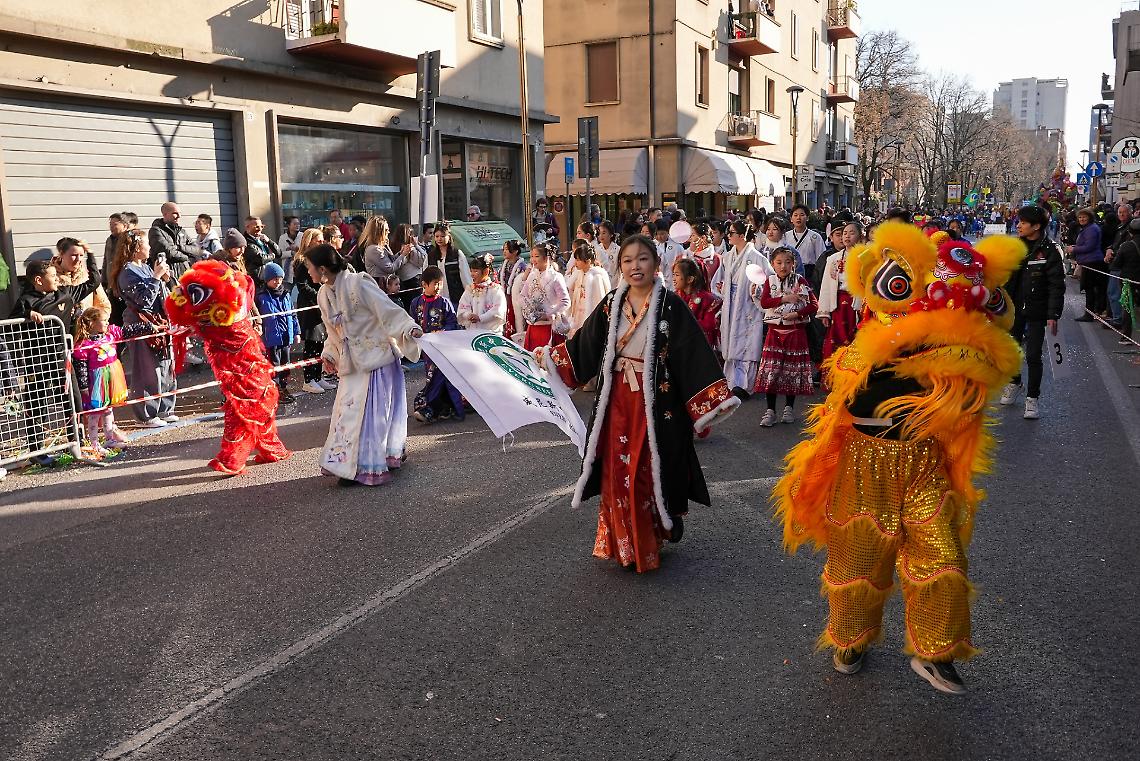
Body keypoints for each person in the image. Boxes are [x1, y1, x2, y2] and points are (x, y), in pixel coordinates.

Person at [774, 223, 1025, 695]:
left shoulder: (958, 347)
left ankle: (936, 653)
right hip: (865, 463)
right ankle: (851, 640)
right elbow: (847, 392)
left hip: (924, 462)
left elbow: (987, 373)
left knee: (943, 555)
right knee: (857, 561)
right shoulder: (869, 345)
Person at [538, 235, 740, 573]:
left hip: (656, 403)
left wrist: (712, 400)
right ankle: (625, 543)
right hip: (616, 400)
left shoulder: (671, 306)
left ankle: (653, 533)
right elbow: (585, 345)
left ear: (656, 264)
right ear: (620, 266)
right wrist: (549, 358)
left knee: (647, 468)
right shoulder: (611, 304)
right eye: (628, 260)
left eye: (642, 259)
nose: (635, 266)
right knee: (618, 470)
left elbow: (692, 353)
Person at [305, 243, 422, 484]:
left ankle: (370, 463)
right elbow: (333, 333)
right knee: (347, 415)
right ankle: (347, 466)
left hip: (377, 361)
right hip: (351, 364)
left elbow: (387, 310)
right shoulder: (323, 294)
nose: (308, 272)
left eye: (309, 267)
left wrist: (408, 328)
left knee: (372, 417)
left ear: (323, 269)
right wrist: (330, 354)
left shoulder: (359, 283)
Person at [165, 260, 292, 475]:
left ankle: (259, 451)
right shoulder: (220, 307)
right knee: (247, 403)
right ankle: (239, 456)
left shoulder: (230, 302)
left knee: (255, 400)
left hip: (243, 359)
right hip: (234, 363)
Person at [1000, 205, 1066, 419]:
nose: (1018, 225)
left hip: (1038, 310)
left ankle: (1032, 398)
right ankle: (1014, 383)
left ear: (1036, 226)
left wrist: (1053, 315)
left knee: (1033, 355)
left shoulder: (1050, 250)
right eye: (1018, 221)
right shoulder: (1014, 247)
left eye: (1023, 222)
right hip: (1013, 309)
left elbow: (1057, 285)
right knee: (1012, 352)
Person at [110, 230, 178, 428]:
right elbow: (144, 301)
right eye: (146, 243)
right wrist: (156, 277)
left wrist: (165, 279)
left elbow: (161, 295)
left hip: (159, 321)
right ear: (136, 247)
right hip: (140, 325)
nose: (150, 247)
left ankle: (165, 408)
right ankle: (146, 415)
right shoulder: (127, 272)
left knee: (166, 366)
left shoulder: (147, 267)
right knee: (147, 369)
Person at [752, 247, 817, 427]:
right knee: (771, 372)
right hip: (774, 331)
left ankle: (789, 408)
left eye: (788, 262)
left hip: (795, 331)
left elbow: (813, 305)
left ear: (793, 264)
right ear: (772, 264)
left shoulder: (800, 280)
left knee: (792, 371)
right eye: (779, 262)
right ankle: (770, 410)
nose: (783, 266)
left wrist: (797, 314)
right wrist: (784, 299)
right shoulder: (770, 281)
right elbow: (765, 302)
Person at [711, 220, 772, 398]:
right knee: (731, 341)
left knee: (747, 343)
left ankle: (745, 386)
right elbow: (718, 280)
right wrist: (722, 288)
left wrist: (758, 291)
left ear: (741, 235)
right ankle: (731, 382)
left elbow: (768, 281)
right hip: (731, 302)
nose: (728, 236)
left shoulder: (757, 258)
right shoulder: (728, 257)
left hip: (748, 304)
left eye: (731, 233)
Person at [72, 307, 134, 454]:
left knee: (108, 410)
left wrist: (149, 327)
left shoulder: (110, 335)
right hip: (96, 383)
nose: (107, 323)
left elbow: (129, 331)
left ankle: (110, 439)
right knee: (95, 414)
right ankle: (94, 443)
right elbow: (81, 368)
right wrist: (84, 386)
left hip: (111, 380)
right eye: (104, 320)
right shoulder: (84, 345)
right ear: (92, 323)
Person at [411, 266, 465, 424]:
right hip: (427, 350)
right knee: (433, 377)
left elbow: (452, 323)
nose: (438, 287)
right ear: (424, 284)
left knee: (442, 377)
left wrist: (442, 332)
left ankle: (429, 408)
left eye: (440, 283)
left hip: (443, 349)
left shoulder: (444, 302)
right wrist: (414, 332)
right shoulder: (416, 303)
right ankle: (442, 408)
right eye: (435, 283)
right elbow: (411, 322)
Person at [293, 228, 332, 395]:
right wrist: (319, 296)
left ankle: (317, 376)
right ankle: (308, 380)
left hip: (320, 304)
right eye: (319, 240)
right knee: (311, 343)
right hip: (309, 305)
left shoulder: (318, 259)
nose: (322, 243)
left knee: (320, 342)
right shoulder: (302, 261)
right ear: (310, 241)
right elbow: (303, 286)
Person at [255, 262, 301, 404]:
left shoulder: (286, 294)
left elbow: (293, 314)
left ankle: (283, 388)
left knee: (285, 365)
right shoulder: (261, 296)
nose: (278, 282)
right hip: (271, 338)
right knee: (273, 366)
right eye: (274, 279)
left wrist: (297, 332)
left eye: (280, 278)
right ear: (267, 279)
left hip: (286, 336)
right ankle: (274, 391)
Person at [818, 221, 864, 361]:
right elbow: (826, 285)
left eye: (852, 233)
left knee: (855, 337)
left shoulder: (866, 257)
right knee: (836, 338)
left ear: (860, 236)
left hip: (857, 303)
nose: (847, 236)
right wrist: (824, 311)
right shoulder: (833, 259)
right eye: (845, 233)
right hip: (838, 304)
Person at [519, 243, 570, 351]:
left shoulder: (556, 277)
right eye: (532, 256)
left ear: (546, 258)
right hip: (533, 326)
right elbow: (523, 295)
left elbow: (565, 301)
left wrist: (548, 315)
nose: (533, 259)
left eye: (536, 256)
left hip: (549, 327)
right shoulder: (532, 275)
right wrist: (529, 309)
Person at [52, 238, 111, 322]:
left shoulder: (88, 276)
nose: (78, 259)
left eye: (81, 255)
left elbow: (103, 305)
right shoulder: (51, 277)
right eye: (74, 255)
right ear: (61, 254)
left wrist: (96, 322)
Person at [672, 256, 721, 349]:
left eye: (677, 275)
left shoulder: (709, 299)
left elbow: (709, 324)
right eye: (673, 275)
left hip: (700, 347)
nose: (673, 279)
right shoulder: (674, 297)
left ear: (690, 279)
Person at [565, 240, 611, 337]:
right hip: (578, 311)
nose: (575, 263)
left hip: (590, 312)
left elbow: (600, 299)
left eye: (578, 260)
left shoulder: (596, 276)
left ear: (588, 261)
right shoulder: (579, 274)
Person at [148, 202, 202, 280]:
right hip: (167, 277)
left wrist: (179, 247)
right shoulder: (156, 231)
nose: (179, 216)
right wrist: (187, 257)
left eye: (179, 213)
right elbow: (169, 252)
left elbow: (197, 250)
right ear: (165, 214)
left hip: (185, 275)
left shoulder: (182, 232)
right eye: (175, 213)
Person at [457, 254, 507, 334]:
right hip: (473, 332)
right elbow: (462, 307)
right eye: (471, 271)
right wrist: (468, 315)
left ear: (486, 271)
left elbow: (498, 310)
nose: (472, 274)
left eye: (475, 271)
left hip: (491, 332)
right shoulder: (470, 289)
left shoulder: (495, 289)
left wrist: (481, 318)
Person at [427, 222, 472, 308]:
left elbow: (466, 277)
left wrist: (469, 296)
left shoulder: (457, 254)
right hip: (436, 298)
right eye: (437, 236)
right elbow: (427, 278)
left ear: (449, 237)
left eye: (442, 236)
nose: (439, 239)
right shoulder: (430, 256)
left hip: (455, 297)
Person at [1104, 204, 1132, 328]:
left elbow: (1124, 247)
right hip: (1116, 262)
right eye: (1120, 212)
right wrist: (1109, 249)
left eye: (1124, 212)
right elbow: (1115, 244)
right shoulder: (1120, 226)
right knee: (1113, 292)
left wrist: (1112, 253)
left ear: (1130, 213)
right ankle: (1116, 317)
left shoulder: (1129, 228)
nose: (1121, 214)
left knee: (1115, 292)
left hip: (1121, 264)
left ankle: (1118, 319)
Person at [389, 223, 428, 310]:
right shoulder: (409, 249)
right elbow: (423, 260)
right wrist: (416, 245)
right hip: (413, 281)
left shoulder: (394, 247)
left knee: (407, 306)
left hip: (402, 281)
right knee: (417, 307)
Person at [784, 204, 826, 283]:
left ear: (807, 218)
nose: (798, 218)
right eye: (795, 215)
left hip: (809, 272)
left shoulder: (815, 237)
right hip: (789, 271)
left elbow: (821, 258)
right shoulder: (786, 236)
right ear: (791, 219)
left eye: (802, 215)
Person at [1114, 218, 1140, 342]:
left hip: (1129, 280)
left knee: (1128, 307)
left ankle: (1126, 336)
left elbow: (1116, 264)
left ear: (1130, 232)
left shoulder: (1126, 246)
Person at [499, 239, 529, 339]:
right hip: (506, 295)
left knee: (517, 319)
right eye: (504, 249)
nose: (504, 251)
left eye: (507, 249)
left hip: (516, 297)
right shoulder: (505, 264)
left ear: (515, 251)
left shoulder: (522, 266)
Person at [242, 216, 281, 286]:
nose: (260, 229)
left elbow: (279, 253)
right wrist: (272, 256)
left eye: (261, 226)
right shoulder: (246, 242)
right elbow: (260, 259)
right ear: (247, 227)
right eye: (256, 227)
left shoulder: (262, 239)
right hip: (258, 281)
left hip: (269, 279)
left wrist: (269, 241)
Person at [688, 222, 722, 288]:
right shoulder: (685, 257)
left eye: (693, 235)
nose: (690, 239)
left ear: (703, 238)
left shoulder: (718, 259)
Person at [653, 220, 684, 286]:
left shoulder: (677, 247)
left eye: (662, 234)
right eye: (656, 234)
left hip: (672, 281)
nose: (659, 237)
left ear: (668, 232)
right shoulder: (652, 244)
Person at [278, 216, 302, 287]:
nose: (297, 225)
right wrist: (291, 253)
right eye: (294, 224)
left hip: (300, 269)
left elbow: (306, 251)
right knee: (287, 290)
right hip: (288, 271)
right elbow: (280, 254)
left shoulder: (302, 236)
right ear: (288, 225)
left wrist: (297, 249)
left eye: (298, 224)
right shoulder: (283, 238)